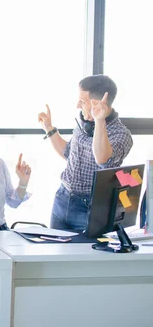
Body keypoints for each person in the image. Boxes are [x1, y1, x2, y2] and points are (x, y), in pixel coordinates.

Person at [38, 75, 133, 232]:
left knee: (85, 255)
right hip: (63, 200)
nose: (77, 105)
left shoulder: (121, 134)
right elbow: (69, 153)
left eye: (82, 101)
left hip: (90, 208)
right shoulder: (84, 123)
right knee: (55, 253)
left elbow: (103, 158)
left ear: (99, 103)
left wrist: (99, 121)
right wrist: (49, 128)